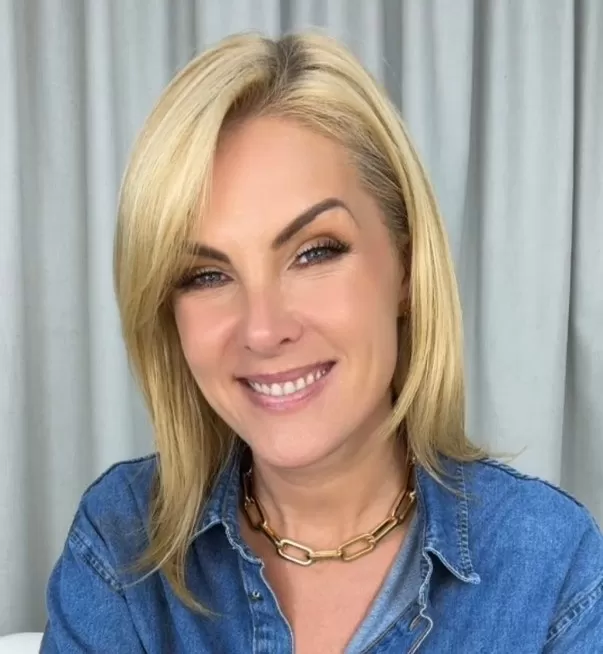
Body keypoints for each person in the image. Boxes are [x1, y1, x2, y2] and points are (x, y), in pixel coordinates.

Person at [41, 31, 603, 653]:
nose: (262, 329)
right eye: (206, 275)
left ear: (406, 268)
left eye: (314, 252)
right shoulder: (120, 548)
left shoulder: (550, 570)